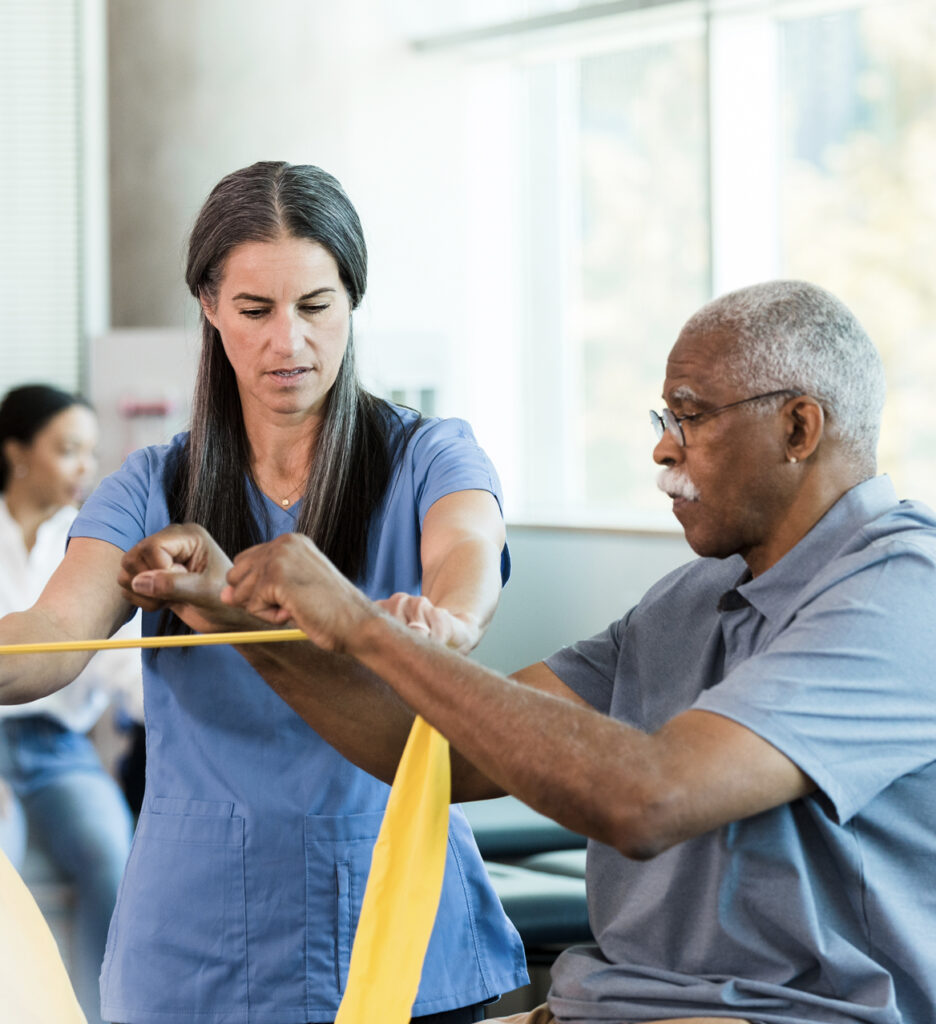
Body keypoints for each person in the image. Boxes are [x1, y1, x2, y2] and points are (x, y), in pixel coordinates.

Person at [125, 280, 936, 1024]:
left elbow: (649, 799)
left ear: (798, 426)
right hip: (614, 1006)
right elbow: (437, 751)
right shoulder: (694, 596)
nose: (664, 449)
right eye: (666, 421)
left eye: (689, 416)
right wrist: (238, 618)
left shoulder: (902, 590)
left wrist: (364, 626)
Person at [0, 163, 527, 1024]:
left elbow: (467, 549)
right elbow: (54, 633)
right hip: (198, 934)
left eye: (316, 307)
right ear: (209, 305)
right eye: (255, 310)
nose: (289, 343)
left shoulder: (430, 455)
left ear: (352, 301)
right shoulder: (149, 483)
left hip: (396, 918)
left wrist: (447, 619)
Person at [0, 384, 138, 1024]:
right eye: (67, 449)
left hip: (59, 750)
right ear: (18, 452)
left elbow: (121, 666)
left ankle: (100, 1014)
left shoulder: (88, 544)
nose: (86, 466)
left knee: (112, 850)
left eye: (90, 451)